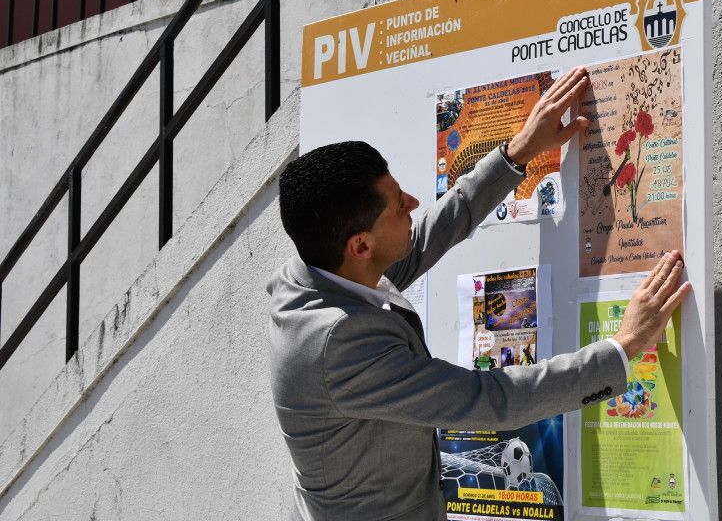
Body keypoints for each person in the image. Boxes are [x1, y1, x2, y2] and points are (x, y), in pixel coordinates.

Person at [267, 67, 691, 520]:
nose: (412, 202)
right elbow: (490, 400)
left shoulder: (318, 269)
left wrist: (517, 152)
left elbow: (429, 235)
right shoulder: (337, 345)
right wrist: (623, 349)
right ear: (361, 245)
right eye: (396, 203)